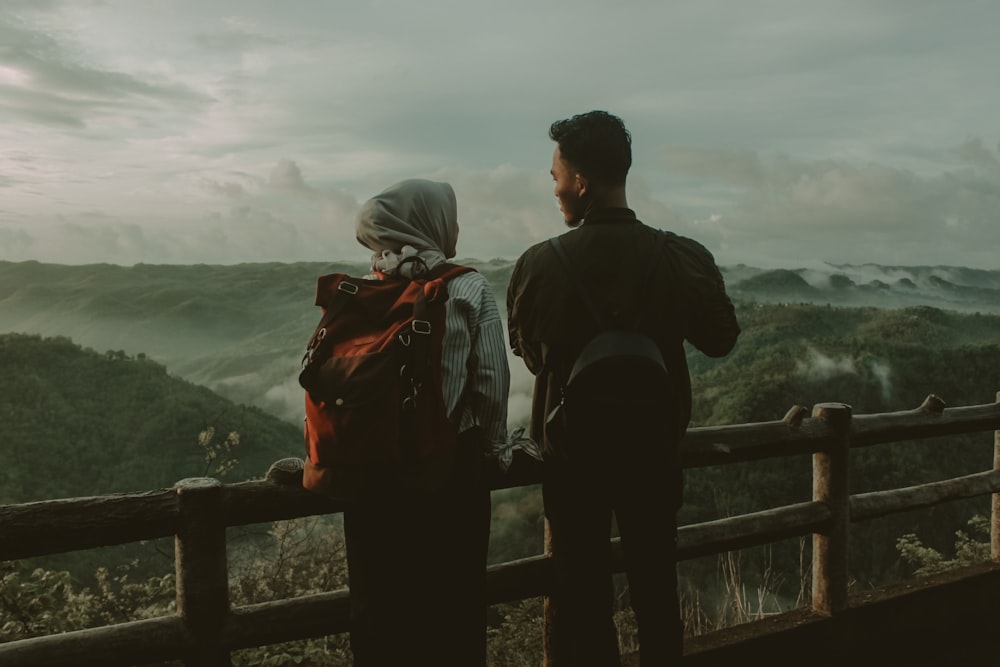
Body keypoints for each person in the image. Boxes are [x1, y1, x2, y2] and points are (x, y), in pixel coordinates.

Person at [507, 111, 741, 664]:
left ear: (581, 181)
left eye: (556, 176)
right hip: (653, 449)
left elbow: (532, 356)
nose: (556, 188)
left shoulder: (539, 264)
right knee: (657, 592)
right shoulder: (681, 255)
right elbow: (721, 339)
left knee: (582, 600)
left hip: (572, 457)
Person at [344, 178, 511, 666]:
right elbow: (492, 382)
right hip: (448, 476)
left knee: (379, 617)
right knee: (453, 614)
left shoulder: (368, 288)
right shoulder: (467, 286)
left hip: (371, 480)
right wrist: (497, 451)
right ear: (433, 222)